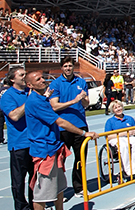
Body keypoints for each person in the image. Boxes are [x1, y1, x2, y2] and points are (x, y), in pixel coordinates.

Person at [25, 71, 98, 210]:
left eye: (42, 77)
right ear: (30, 85)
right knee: (42, 194)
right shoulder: (35, 101)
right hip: (44, 151)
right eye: (38, 79)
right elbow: (60, 122)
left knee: (59, 189)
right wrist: (83, 133)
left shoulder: (42, 99)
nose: (43, 80)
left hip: (54, 148)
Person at [48, 57, 90, 198]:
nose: (68, 68)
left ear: (73, 67)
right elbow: (54, 106)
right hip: (62, 127)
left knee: (81, 158)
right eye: (65, 66)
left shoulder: (81, 82)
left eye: (70, 66)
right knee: (60, 160)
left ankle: (79, 187)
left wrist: (83, 99)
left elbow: (86, 104)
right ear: (61, 68)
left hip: (80, 125)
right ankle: (60, 190)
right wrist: (73, 101)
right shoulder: (56, 84)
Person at [0, 67, 34, 209]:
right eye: (21, 75)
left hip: (34, 142)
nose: (24, 77)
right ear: (13, 79)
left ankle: (34, 205)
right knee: (19, 181)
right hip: (19, 144)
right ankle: (20, 208)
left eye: (25, 74)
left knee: (35, 178)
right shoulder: (8, 96)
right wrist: (30, 100)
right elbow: (14, 115)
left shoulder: (29, 92)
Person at [104, 100, 135, 179]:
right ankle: (128, 170)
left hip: (129, 137)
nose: (118, 109)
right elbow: (108, 136)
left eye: (119, 107)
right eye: (116, 108)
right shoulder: (110, 121)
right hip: (116, 138)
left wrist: (133, 131)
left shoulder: (129, 119)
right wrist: (122, 134)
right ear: (113, 110)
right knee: (123, 146)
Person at [0, 76, 9, 145]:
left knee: (0, 126)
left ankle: (0, 139)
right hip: (8, 109)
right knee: (10, 125)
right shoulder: (10, 90)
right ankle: (10, 138)